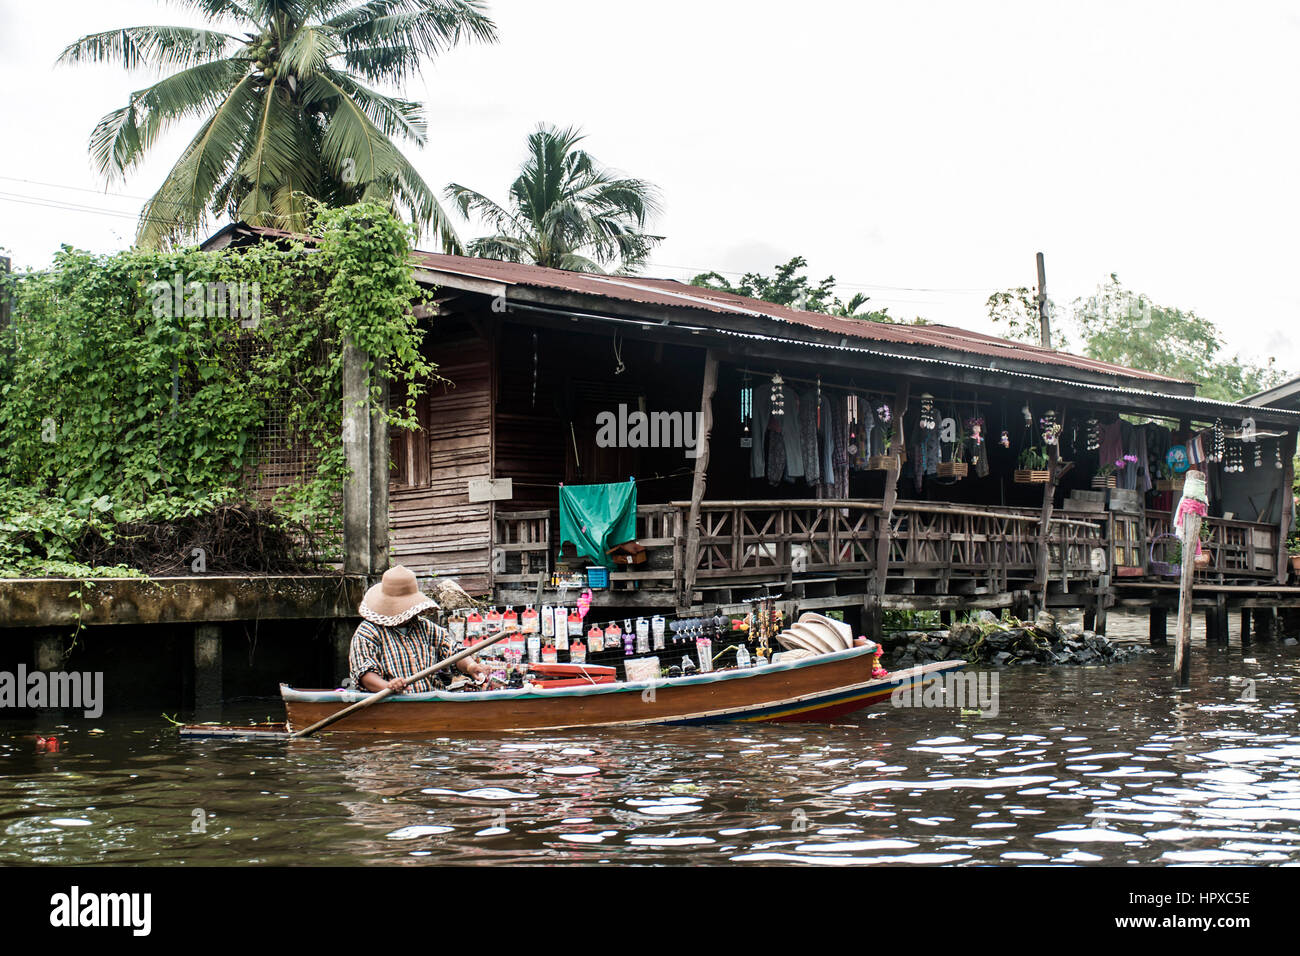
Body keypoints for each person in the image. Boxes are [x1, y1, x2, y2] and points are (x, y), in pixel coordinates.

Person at [349, 566, 487, 692]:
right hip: (390, 704)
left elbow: (454, 653)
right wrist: (389, 687)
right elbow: (365, 675)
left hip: (430, 701)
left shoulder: (427, 628)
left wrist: (470, 666)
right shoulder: (367, 633)